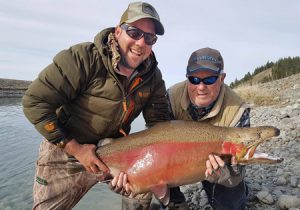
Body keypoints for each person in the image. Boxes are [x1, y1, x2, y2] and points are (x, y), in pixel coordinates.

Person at [22, 2, 171, 209]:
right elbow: (34, 101)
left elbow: (160, 128)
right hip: (65, 147)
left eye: (149, 38)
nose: (141, 42)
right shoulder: (82, 58)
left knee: (140, 196)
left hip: (116, 150)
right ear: (118, 31)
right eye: (134, 32)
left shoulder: (153, 77)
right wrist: (76, 149)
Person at [166, 47, 250, 210]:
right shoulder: (170, 97)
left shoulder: (238, 110)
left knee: (231, 203)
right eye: (194, 79)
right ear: (187, 77)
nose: (201, 87)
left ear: (222, 78)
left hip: (218, 166)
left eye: (209, 79)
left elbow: (239, 165)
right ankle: (175, 203)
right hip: (177, 160)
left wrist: (225, 174)